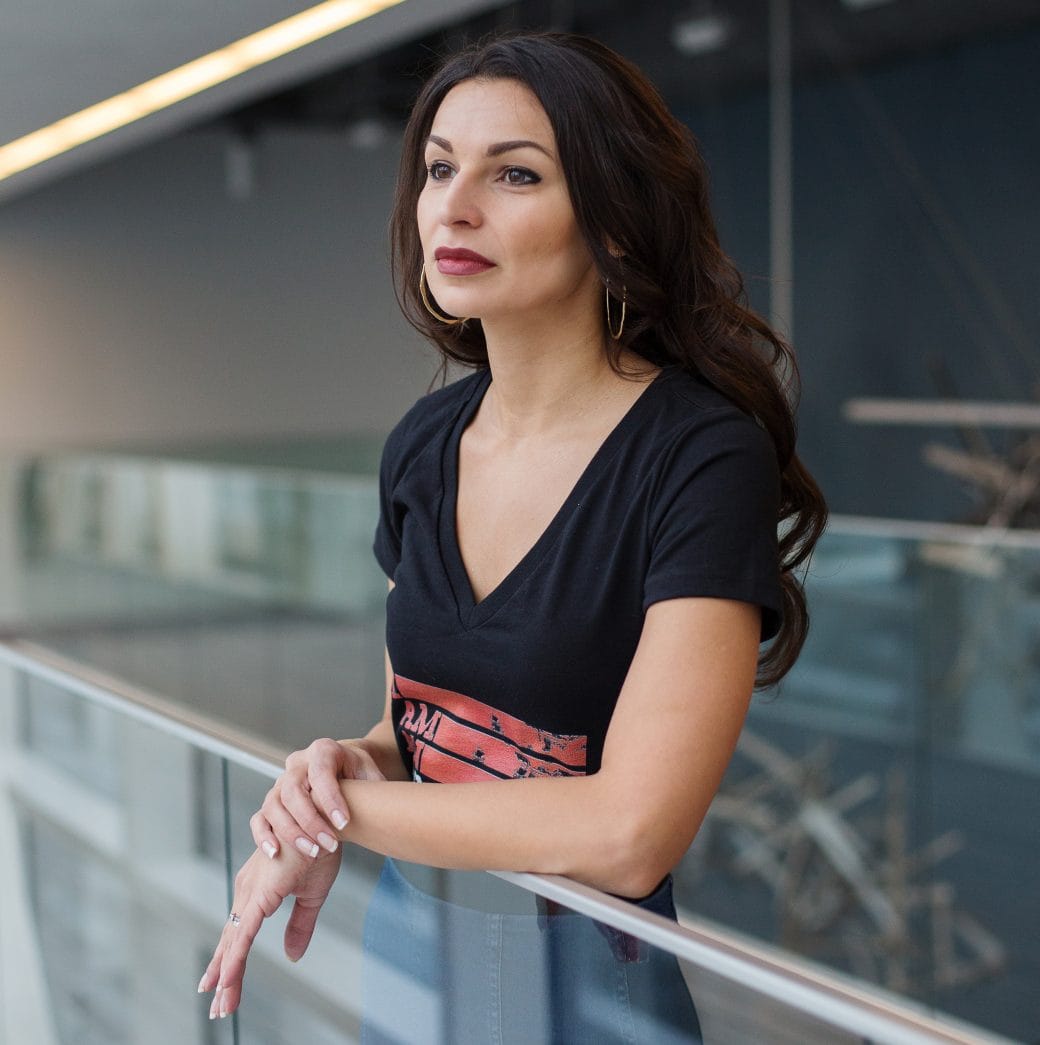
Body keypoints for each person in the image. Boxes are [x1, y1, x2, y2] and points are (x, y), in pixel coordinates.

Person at [199, 30, 826, 1040]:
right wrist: (340, 768)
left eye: (516, 173)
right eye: (440, 167)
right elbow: (424, 730)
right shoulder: (421, 445)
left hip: (591, 981)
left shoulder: (699, 455)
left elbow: (628, 833)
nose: (454, 203)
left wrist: (332, 823)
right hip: (417, 941)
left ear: (611, 223)